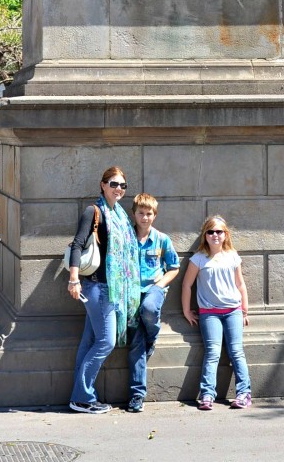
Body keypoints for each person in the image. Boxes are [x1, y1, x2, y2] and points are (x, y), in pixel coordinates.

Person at [67, 166, 140, 414]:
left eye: (122, 185)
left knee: (90, 342)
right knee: (106, 342)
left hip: (113, 288)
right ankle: (83, 397)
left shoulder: (120, 216)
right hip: (97, 287)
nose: (118, 189)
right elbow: (77, 244)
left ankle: (79, 397)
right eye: (113, 184)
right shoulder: (94, 211)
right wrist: (73, 279)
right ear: (102, 185)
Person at [181, 215, 251, 411]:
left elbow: (240, 285)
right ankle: (207, 395)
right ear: (205, 235)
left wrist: (244, 311)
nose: (215, 235)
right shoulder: (198, 259)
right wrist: (186, 310)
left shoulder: (232, 256)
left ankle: (244, 393)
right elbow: (187, 285)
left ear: (225, 234)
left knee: (236, 352)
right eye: (210, 231)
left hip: (233, 311)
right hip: (209, 313)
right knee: (212, 353)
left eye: (219, 231)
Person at [126, 193, 180, 413]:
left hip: (154, 289)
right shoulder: (126, 237)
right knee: (136, 344)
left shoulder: (162, 239)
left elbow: (174, 267)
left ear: (154, 215)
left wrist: (159, 286)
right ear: (134, 214)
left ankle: (153, 335)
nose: (145, 217)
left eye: (149, 214)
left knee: (149, 309)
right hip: (131, 292)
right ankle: (137, 395)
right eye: (141, 213)